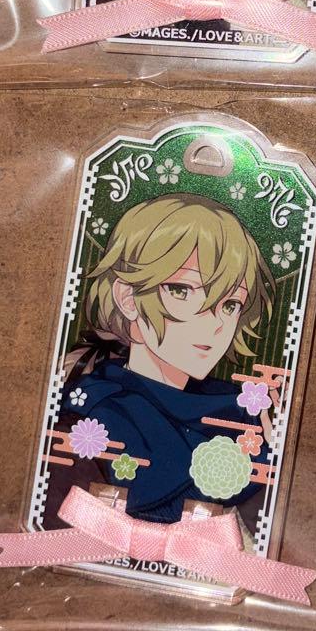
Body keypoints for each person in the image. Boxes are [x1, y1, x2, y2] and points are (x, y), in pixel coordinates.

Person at [45, 194, 277, 526]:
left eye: (230, 305)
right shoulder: (94, 412)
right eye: (183, 291)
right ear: (128, 298)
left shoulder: (243, 414)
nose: (214, 322)